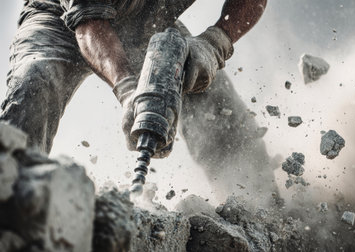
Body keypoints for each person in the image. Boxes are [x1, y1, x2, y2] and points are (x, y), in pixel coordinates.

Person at [0, 0, 281, 206]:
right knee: (35, 82)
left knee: (213, 99)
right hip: (59, 20)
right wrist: (128, 90)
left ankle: (258, 207)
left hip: (148, 22)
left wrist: (216, 42)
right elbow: (90, 26)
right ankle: (10, 207)